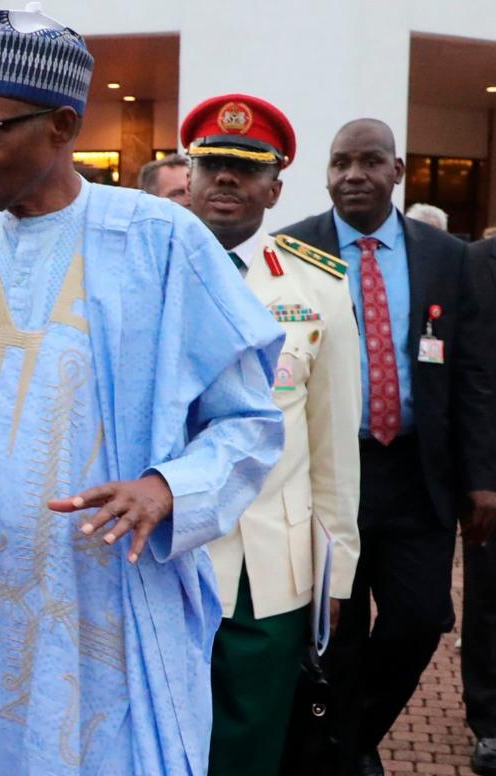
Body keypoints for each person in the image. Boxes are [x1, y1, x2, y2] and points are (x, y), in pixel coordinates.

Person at [0, 7, 284, 773]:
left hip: (101, 601)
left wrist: (166, 487)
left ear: (63, 126)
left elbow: (247, 423)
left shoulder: (159, 240)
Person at [278, 118, 496, 776]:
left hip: (416, 473)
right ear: (325, 172)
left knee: (421, 619)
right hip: (329, 474)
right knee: (337, 630)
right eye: (341, 161)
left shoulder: (444, 255)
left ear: (396, 171)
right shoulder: (293, 249)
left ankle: (351, 731)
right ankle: (344, 753)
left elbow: (473, 372)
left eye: (370, 161)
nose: (353, 174)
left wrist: (482, 476)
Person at [181, 94, 362, 775]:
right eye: (213, 164)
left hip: (266, 569)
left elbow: (333, 445)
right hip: (161, 553)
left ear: (274, 188)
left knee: (247, 747)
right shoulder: (146, 270)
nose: (226, 179)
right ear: (188, 175)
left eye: (245, 167)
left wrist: (336, 571)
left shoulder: (315, 288)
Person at [465, 231, 496, 776]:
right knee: (490, 601)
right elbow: (475, 373)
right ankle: (490, 724)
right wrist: (482, 476)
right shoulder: (481, 262)